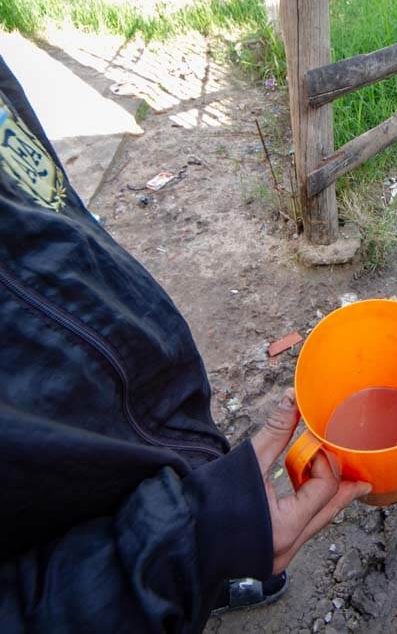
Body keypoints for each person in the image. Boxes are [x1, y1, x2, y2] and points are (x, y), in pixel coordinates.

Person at [0, 56, 370, 631]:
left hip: (135, 395)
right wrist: (190, 551)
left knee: (169, 467)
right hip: (89, 535)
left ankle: (200, 550)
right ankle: (197, 577)